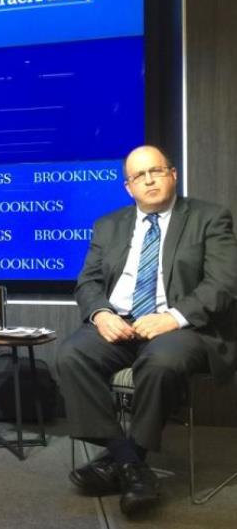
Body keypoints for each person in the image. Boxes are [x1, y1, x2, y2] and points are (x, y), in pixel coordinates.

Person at [55, 145, 237, 516]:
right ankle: (131, 464)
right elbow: (87, 282)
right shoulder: (109, 224)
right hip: (122, 323)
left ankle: (124, 461)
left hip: (183, 328)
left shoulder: (210, 217)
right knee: (70, 355)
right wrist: (102, 314)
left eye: (156, 171)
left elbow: (224, 281)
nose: (149, 180)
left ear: (173, 174)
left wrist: (173, 316)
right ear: (128, 186)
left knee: (160, 362)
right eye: (139, 175)